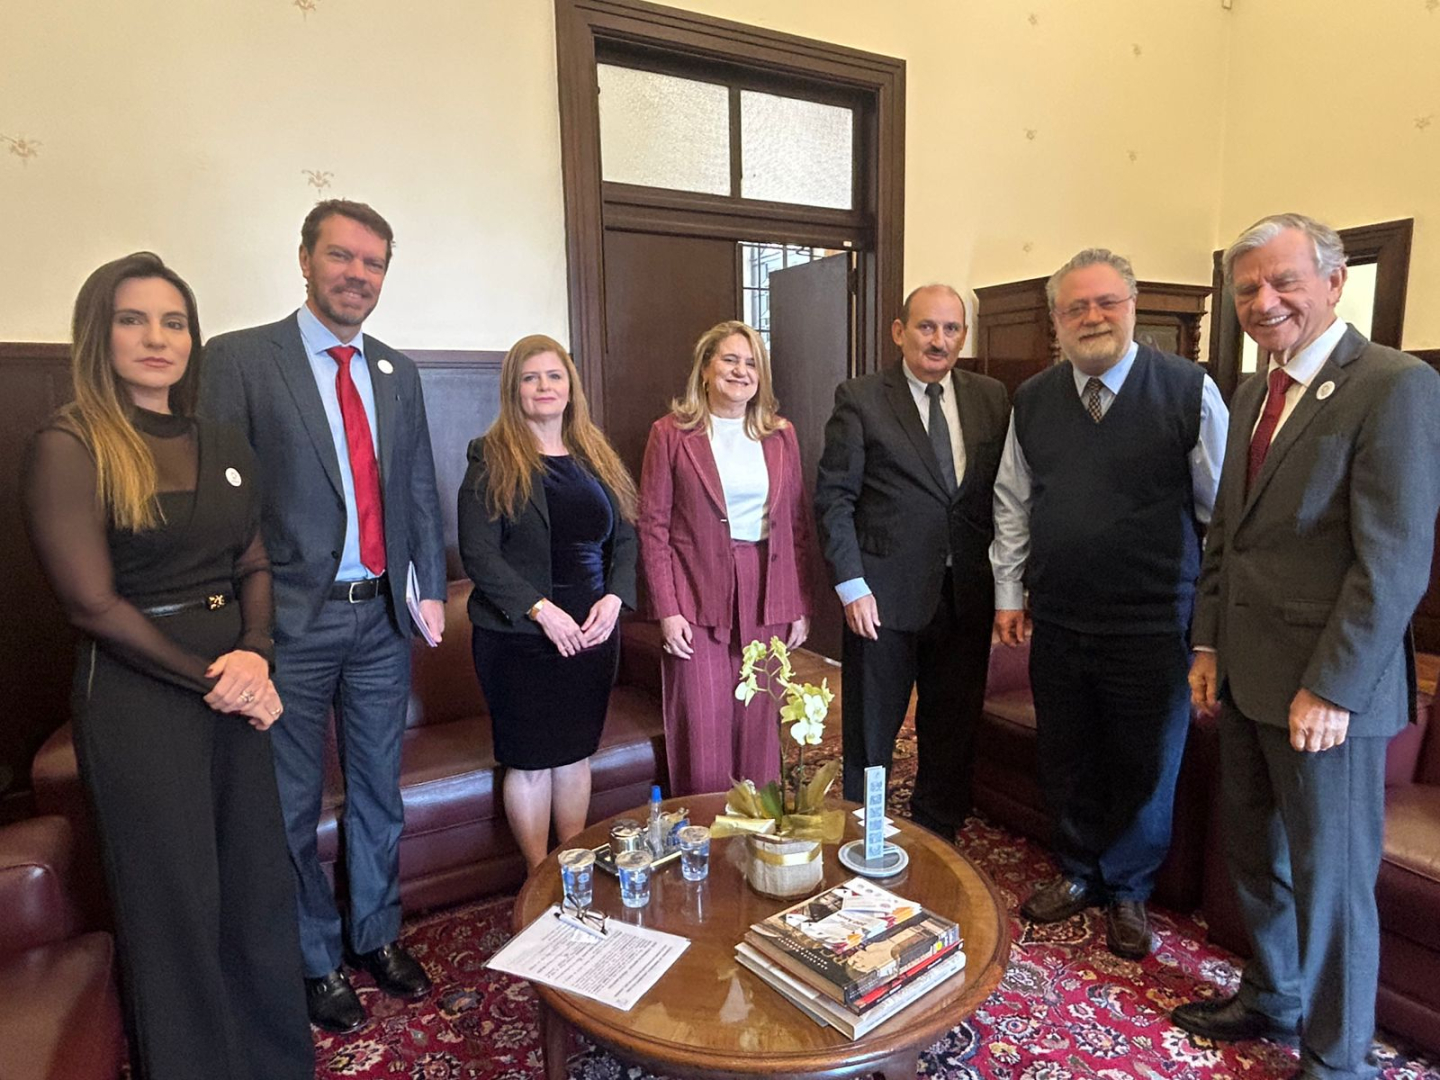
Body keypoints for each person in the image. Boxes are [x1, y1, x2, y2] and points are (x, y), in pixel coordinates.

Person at [22, 253, 314, 1080]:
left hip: (237, 681)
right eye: (133, 319)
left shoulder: (220, 440)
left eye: (174, 321)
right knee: (175, 904)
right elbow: (91, 605)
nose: (158, 337)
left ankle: (272, 1062)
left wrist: (255, 655)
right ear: (99, 332)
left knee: (255, 889)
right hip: (139, 696)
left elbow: (254, 561)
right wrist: (218, 680)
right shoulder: (71, 443)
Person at [1170, 214, 1440, 1080]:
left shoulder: (1393, 386)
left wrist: (1332, 687)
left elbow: (1392, 559)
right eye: (1247, 288)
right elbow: (1229, 539)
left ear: (1333, 283)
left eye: (1283, 282)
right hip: (1246, 677)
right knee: (1252, 854)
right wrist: (1206, 643)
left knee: (1331, 887)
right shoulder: (1254, 390)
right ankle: (1273, 996)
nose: (1264, 301)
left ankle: (1335, 1061)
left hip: (1330, 697)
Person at [200, 200, 447, 1034]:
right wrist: (243, 632)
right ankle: (313, 958)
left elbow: (415, 491)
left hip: (378, 619)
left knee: (382, 791)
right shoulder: (239, 361)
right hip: (288, 628)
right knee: (291, 805)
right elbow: (220, 510)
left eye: (373, 264)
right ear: (305, 260)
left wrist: (427, 590)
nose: (358, 276)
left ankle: (376, 933)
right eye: (342, 257)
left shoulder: (397, 372)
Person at [990, 248, 1229, 958]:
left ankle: (1127, 887)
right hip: (1059, 618)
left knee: (1144, 762)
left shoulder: (1189, 391)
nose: (1092, 317)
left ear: (1133, 307)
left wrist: (1212, 628)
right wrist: (1009, 592)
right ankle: (1078, 869)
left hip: (1156, 622)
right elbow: (1012, 502)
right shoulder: (1033, 400)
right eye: (1075, 307)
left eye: (1107, 303)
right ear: (1056, 322)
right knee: (1066, 752)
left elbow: (1222, 515)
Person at [814, 284, 1009, 839]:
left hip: (966, 590)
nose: (939, 340)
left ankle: (938, 831)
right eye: (927, 327)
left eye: (951, 329)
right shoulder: (861, 398)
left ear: (963, 337)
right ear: (900, 332)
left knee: (952, 722)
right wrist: (851, 585)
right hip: (881, 595)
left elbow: (1001, 495)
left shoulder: (992, 397)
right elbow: (834, 498)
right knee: (873, 727)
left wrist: (1009, 588)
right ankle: (865, 829)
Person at [458, 335, 638, 870]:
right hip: (521, 640)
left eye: (554, 376)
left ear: (570, 386)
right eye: (530, 378)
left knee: (577, 756)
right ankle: (539, 879)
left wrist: (615, 598)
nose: (544, 387)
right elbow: (479, 554)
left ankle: (572, 866)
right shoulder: (490, 455)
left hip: (592, 636)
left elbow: (624, 538)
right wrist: (541, 610)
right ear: (514, 389)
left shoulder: (594, 454)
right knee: (532, 764)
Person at [637, 320, 813, 796]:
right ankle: (706, 847)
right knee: (703, 724)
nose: (741, 371)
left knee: (759, 724)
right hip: (695, 593)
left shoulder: (781, 435)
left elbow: (795, 524)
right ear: (706, 368)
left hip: (767, 590)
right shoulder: (671, 434)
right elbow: (652, 528)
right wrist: (668, 610)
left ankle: (757, 843)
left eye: (752, 362)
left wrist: (797, 602)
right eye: (730, 359)